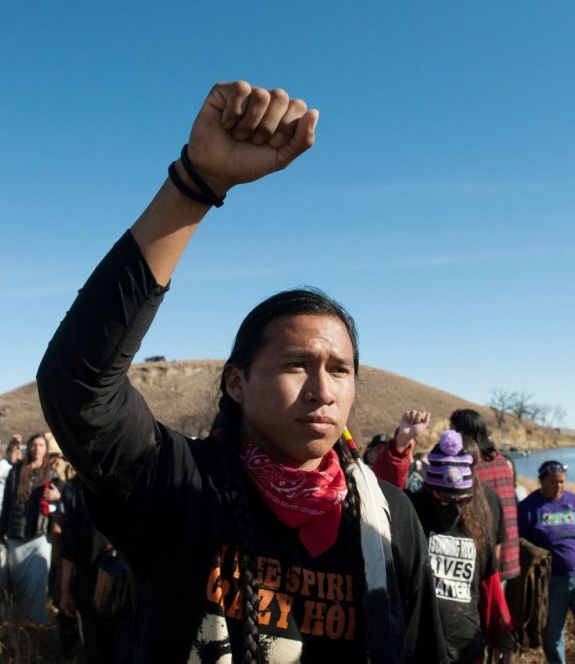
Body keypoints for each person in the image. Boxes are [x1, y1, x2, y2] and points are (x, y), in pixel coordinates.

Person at [37, 80, 447, 662]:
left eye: (341, 370)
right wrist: (196, 184)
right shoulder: (177, 486)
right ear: (237, 382)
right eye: (296, 365)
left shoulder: (389, 518)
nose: (323, 390)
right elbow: (77, 387)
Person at [408, 431, 514, 664]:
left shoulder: (478, 522)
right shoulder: (413, 514)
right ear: (429, 490)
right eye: (445, 499)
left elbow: (491, 586)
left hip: (467, 647)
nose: (454, 508)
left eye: (461, 501)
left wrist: (502, 636)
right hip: (419, 647)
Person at [518, 461, 575, 664]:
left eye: (561, 482)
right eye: (553, 482)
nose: (558, 486)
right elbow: (518, 542)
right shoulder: (528, 508)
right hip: (552, 580)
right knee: (552, 630)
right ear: (541, 481)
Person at [59, 475, 133, 664]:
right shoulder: (80, 494)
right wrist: (65, 591)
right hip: (91, 592)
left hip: (130, 596)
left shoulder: (139, 488)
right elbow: (69, 550)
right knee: (97, 653)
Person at [450, 409, 521, 585]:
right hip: (509, 551)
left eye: (452, 429)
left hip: (482, 558)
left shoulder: (470, 465)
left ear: (462, 433)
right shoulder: (502, 461)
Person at [0, 433, 59, 623]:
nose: (37, 448)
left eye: (41, 445)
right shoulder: (16, 471)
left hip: (40, 536)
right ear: (28, 447)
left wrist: (57, 496)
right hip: (16, 535)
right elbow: (7, 503)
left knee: (38, 584)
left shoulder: (51, 473)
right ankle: (21, 625)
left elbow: (59, 504)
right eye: (33, 445)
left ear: (46, 449)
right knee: (19, 585)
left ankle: (38, 624)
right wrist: (1, 533)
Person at [371, 410, 432, 489]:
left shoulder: (422, 469)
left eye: (410, 438)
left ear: (414, 443)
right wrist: (403, 440)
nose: (381, 451)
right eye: (377, 448)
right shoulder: (374, 471)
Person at [0, 435, 22, 521]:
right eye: (12, 452)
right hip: (1, 497)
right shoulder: (2, 464)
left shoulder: (19, 465)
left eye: (17, 452)